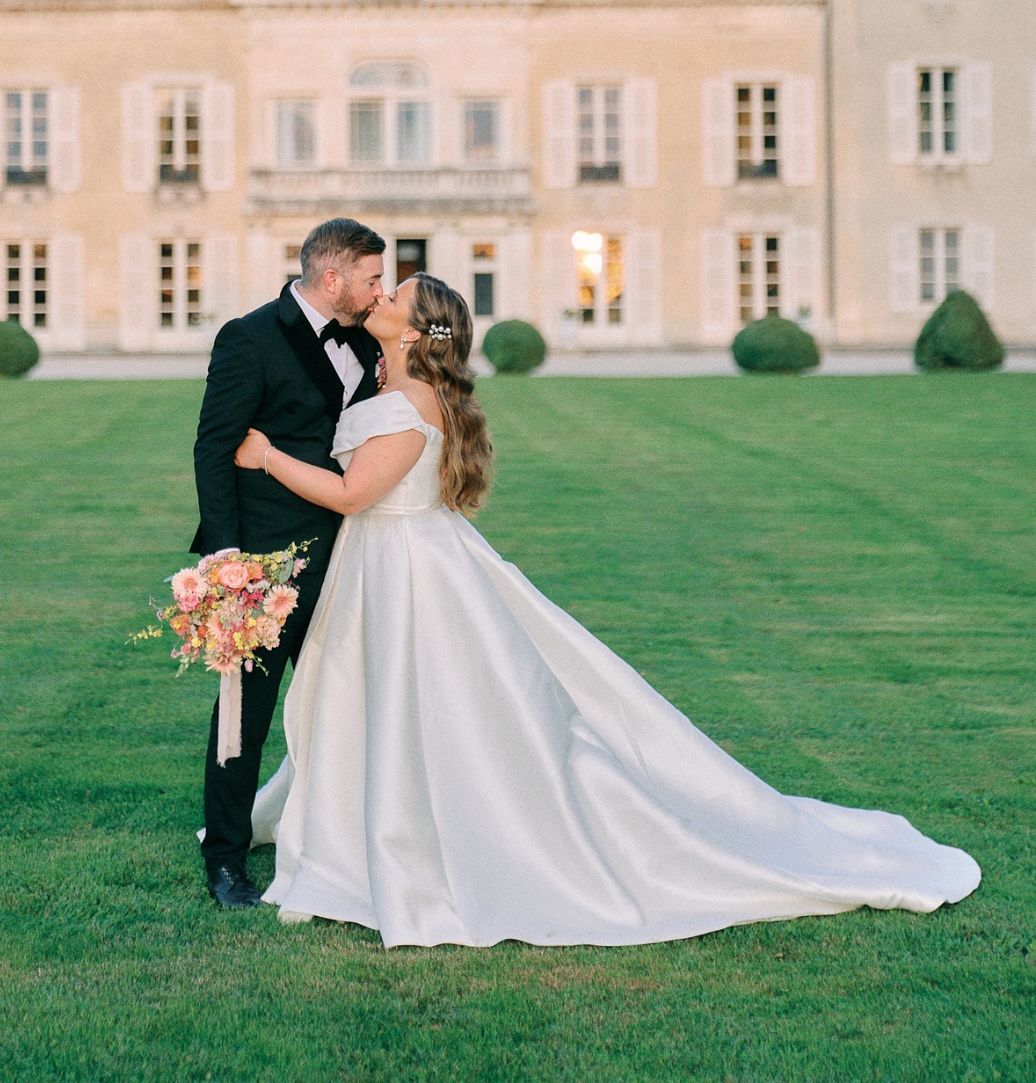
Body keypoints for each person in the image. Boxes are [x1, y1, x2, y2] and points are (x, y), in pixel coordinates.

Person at [234, 272, 980, 948]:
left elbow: (351, 494)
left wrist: (266, 456)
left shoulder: (407, 405)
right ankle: (366, 821)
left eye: (394, 297)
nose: (381, 300)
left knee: (424, 705)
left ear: (415, 329)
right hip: (389, 564)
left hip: (406, 570)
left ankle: (413, 842)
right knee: (386, 705)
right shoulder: (392, 385)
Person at [191, 217, 385, 908]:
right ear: (332, 279)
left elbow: (448, 339)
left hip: (351, 556)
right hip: (263, 563)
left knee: (349, 703)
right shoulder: (249, 338)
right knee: (243, 713)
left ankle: (353, 836)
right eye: (370, 280)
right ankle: (224, 858)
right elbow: (213, 451)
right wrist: (226, 565)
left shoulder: (373, 333)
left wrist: (420, 317)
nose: (378, 292)